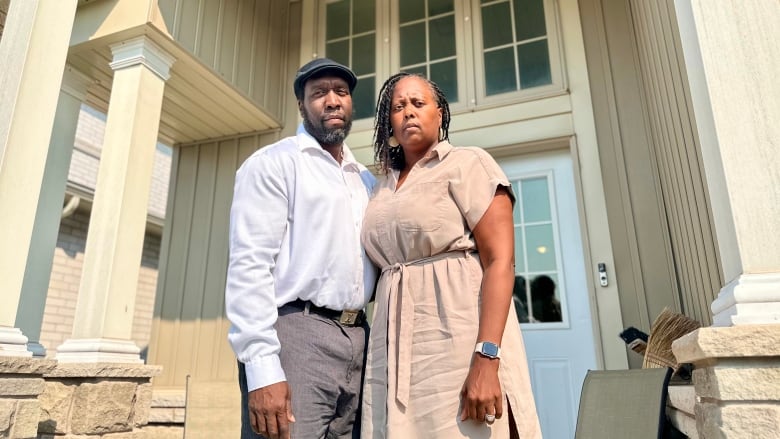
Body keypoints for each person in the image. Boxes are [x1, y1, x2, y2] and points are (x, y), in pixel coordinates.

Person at [360, 72, 542, 438]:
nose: (408, 112)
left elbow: (500, 262)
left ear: (440, 113)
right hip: (393, 347)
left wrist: (487, 358)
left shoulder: (467, 164)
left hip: (457, 338)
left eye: (417, 103)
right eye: (398, 107)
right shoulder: (380, 187)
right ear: (389, 124)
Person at [225, 58, 377, 439]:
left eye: (341, 92)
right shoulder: (274, 164)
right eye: (319, 93)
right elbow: (250, 266)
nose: (332, 101)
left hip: (361, 338)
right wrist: (262, 368)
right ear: (301, 105)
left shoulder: (365, 180)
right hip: (296, 334)